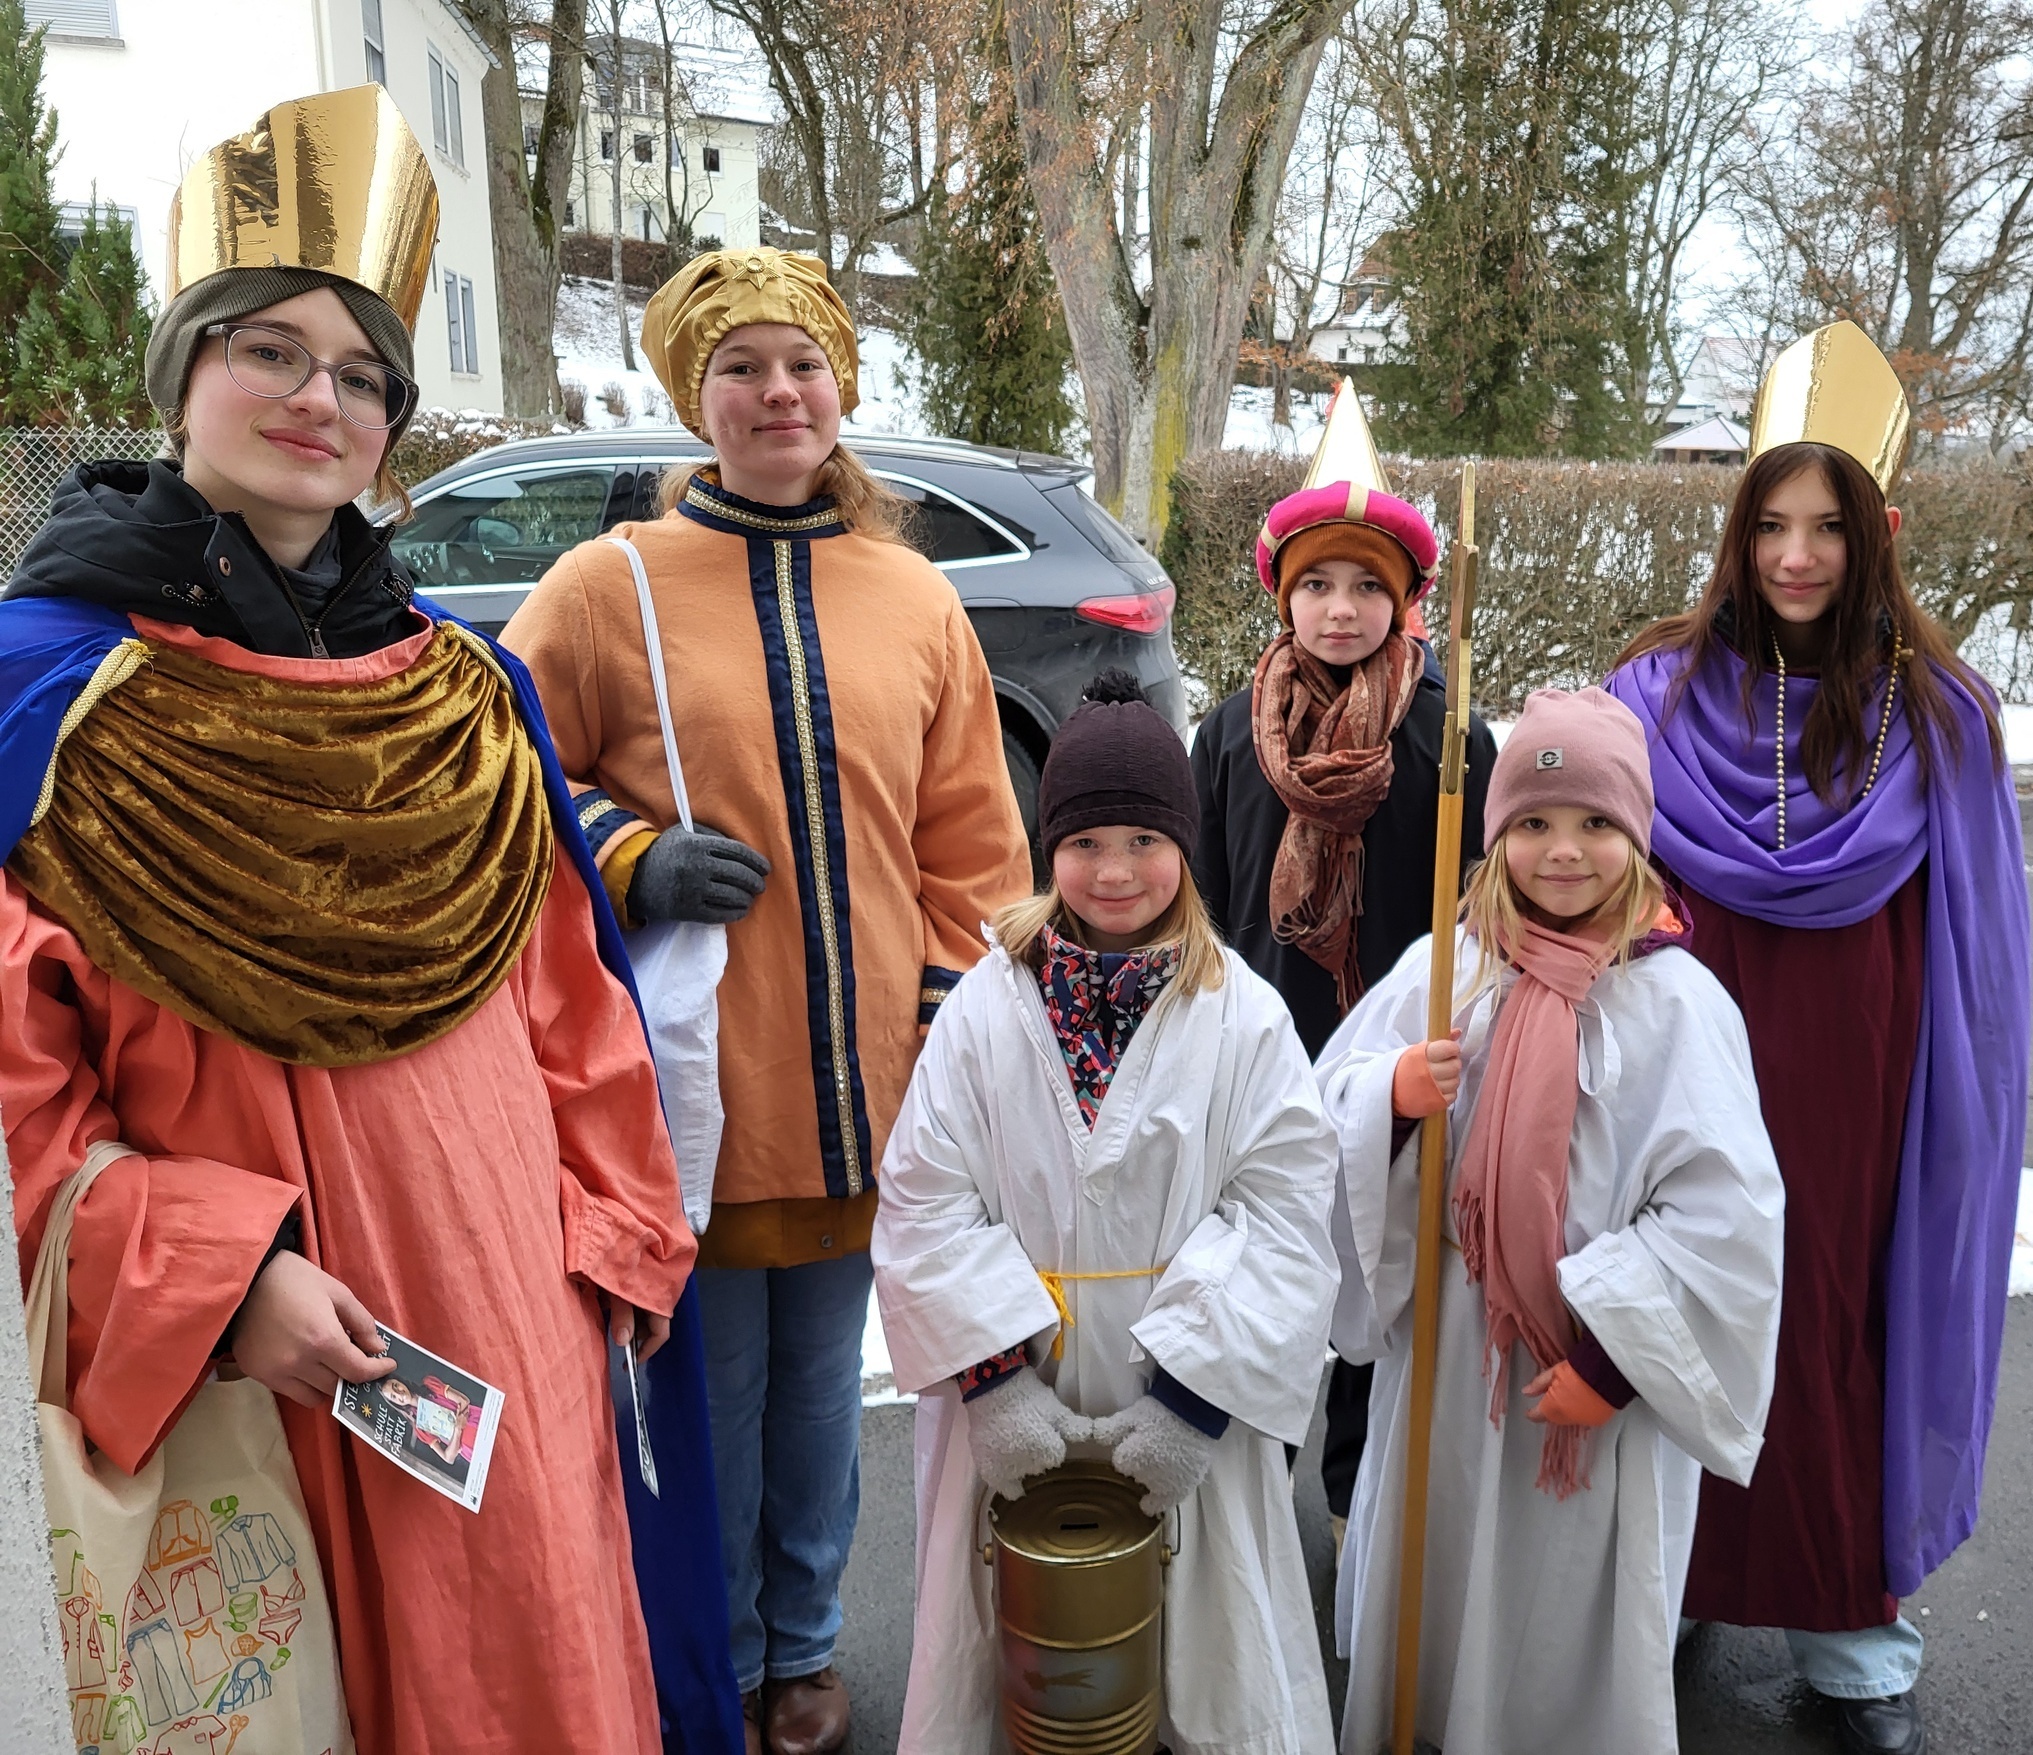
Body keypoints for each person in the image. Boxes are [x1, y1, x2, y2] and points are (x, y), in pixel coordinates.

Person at [0, 88, 738, 1754]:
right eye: (268, 351)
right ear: (183, 374)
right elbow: (20, 1092)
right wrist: (222, 1279)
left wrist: (615, 1232)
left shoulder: (465, 690)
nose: (314, 400)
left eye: (359, 377)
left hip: (510, 1339)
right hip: (264, 1373)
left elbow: (573, 998)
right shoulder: (41, 696)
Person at [503, 246, 1031, 1755]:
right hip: (695, 1091)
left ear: (841, 385)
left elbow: (972, 844)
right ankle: (715, 1650)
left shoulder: (915, 595)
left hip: (875, 1080)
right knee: (709, 1401)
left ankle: (803, 1641)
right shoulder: (608, 587)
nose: (776, 391)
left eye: (799, 364)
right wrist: (632, 853)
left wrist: (937, 1009)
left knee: (821, 1397)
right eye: (739, 367)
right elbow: (513, 777)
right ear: (696, 398)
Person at [1606, 321, 2031, 1755]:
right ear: (1738, 529)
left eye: (1828, 526)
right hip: (1688, 1062)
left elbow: (1984, 953)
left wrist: (1962, 1123)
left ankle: (1851, 1621)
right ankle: (1671, 1573)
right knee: (1680, 1291)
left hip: (1863, 1078)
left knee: (1836, 1323)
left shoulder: (1939, 713)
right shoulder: (1653, 696)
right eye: (1774, 523)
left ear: (1874, 537)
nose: (1797, 555)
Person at [873, 671, 1341, 1753]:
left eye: (1143, 838)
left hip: (1182, 1402)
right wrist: (990, 1385)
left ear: (1184, 845)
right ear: (1050, 849)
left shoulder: (1246, 1019)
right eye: (1086, 842)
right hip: (1018, 1394)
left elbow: (1282, 1217)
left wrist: (1188, 1405)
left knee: (1207, 1660)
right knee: (1022, 1670)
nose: (1115, 869)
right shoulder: (985, 1007)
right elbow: (924, 1194)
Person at [1316, 686, 1786, 1755]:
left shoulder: (1677, 1007)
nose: (1560, 852)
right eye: (1529, 823)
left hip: (1577, 1388)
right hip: (1445, 1363)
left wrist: (1614, 1363)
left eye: (1593, 825)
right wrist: (1387, 1098)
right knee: (1437, 1611)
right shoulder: (1446, 972)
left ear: (1637, 837)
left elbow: (1725, 1220)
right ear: (1491, 839)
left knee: (1555, 1635)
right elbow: (1315, 1119)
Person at [1190, 383, 1495, 1536]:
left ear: (1407, 600)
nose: (1338, 607)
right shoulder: (1229, 730)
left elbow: (1477, 904)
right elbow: (1210, 895)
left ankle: (1354, 1504)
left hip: (1400, 1061)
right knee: (1268, 1273)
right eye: (1315, 582)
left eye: (1368, 584)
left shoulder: (1446, 735)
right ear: (1281, 595)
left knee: (1381, 1267)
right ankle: (1247, 1500)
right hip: (1270, 1051)